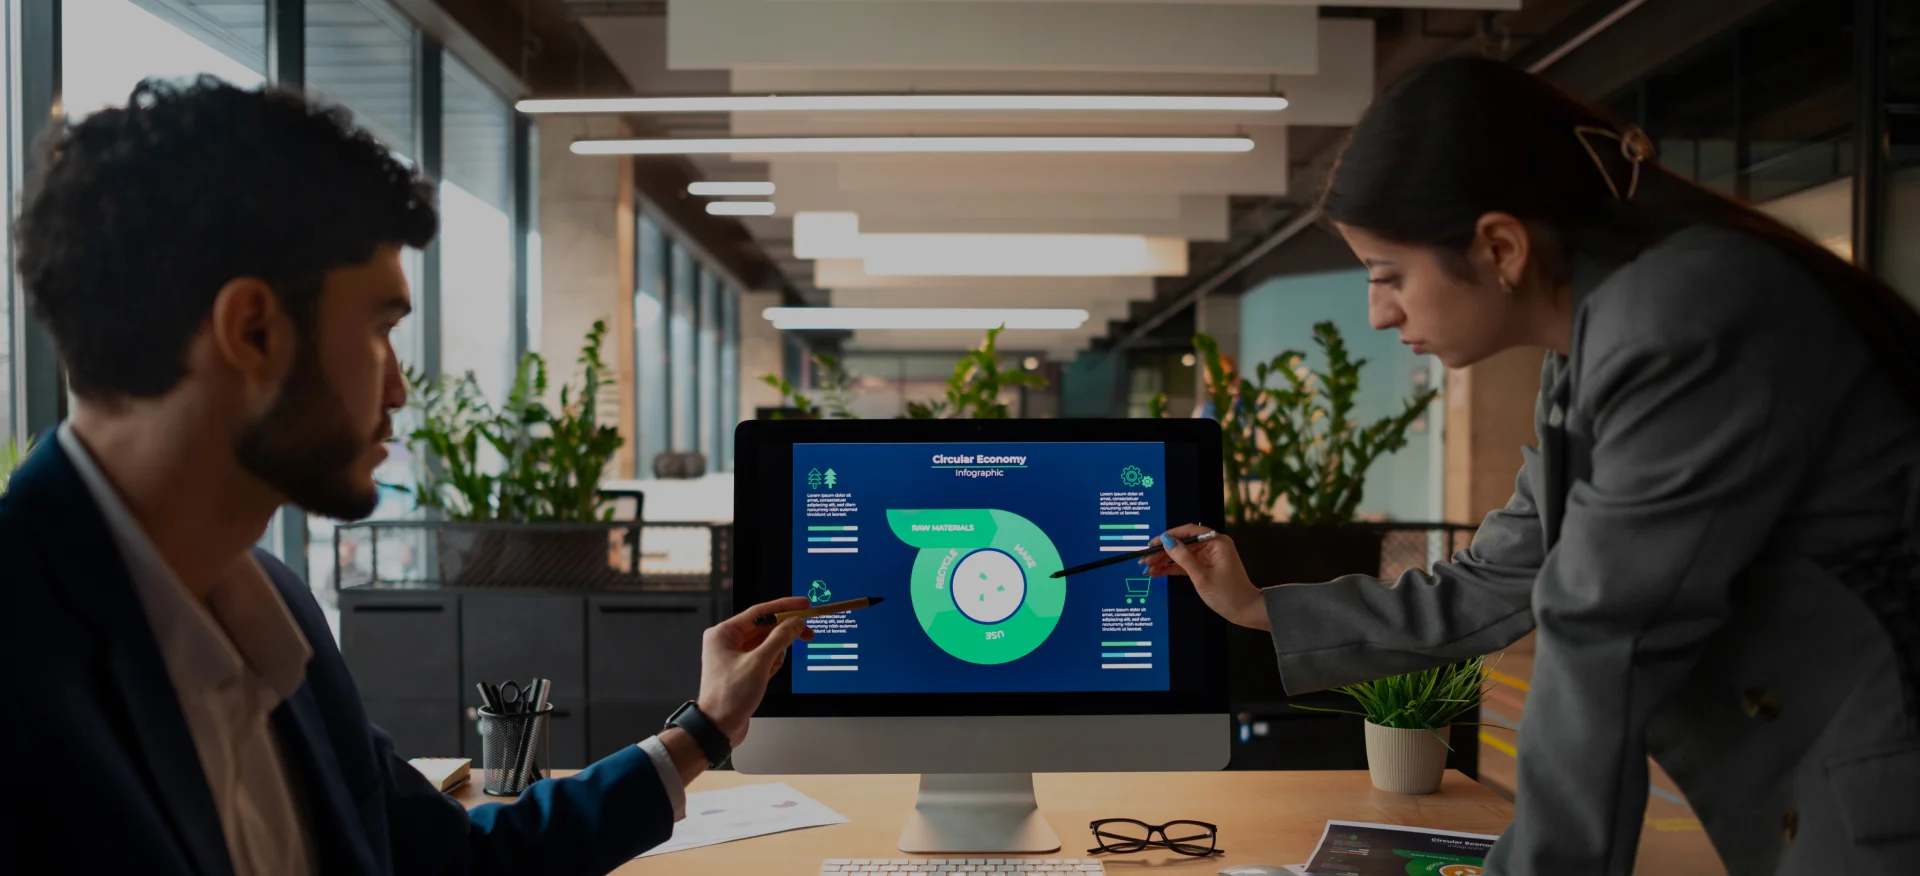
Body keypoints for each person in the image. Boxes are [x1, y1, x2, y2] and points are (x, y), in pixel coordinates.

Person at [0, 78, 814, 875]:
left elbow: (449, 863)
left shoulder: (274, 609)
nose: (397, 388)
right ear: (251, 331)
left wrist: (704, 729)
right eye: (380, 329)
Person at [1145, 57, 1920, 875]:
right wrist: (1260, 607)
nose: (1378, 312)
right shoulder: (1588, 352)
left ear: (1500, 246)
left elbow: (1600, 647)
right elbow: (1494, 578)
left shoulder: (1680, 320)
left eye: (1389, 275)